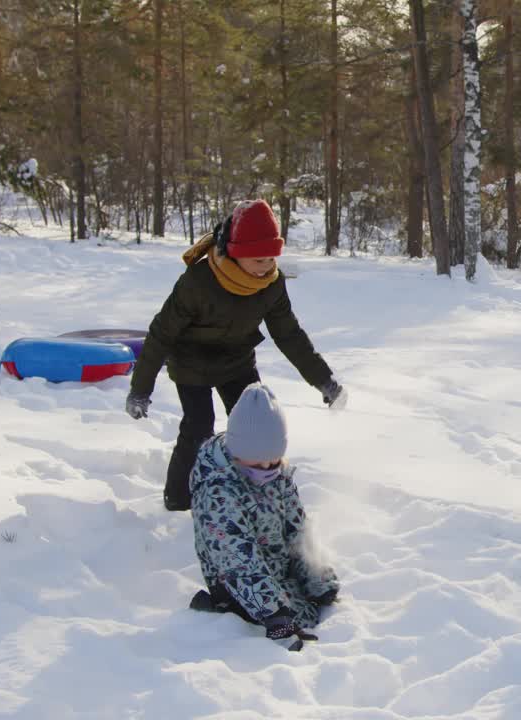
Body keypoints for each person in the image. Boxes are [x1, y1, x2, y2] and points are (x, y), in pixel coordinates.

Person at [125, 199, 347, 511]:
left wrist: (323, 380)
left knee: (259, 425)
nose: (267, 266)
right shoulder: (199, 281)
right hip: (191, 361)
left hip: (237, 360)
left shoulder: (271, 284)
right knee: (199, 426)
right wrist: (140, 389)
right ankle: (178, 499)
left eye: (272, 257)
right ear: (236, 253)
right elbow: (162, 333)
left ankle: (256, 495)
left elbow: (289, 334)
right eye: (258, 259)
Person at [186, 383, 340, 651]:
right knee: (296, 621)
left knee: (311, 612)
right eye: (258, 464)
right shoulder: (218, 494)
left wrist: (318, 579)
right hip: (237, 585)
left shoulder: (276, 474)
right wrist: (275, 615)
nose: (268, 469)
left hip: (275, 571)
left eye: (274, 461)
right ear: (237, 453)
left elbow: (297, 529)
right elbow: (238, 562)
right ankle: (224, 611)